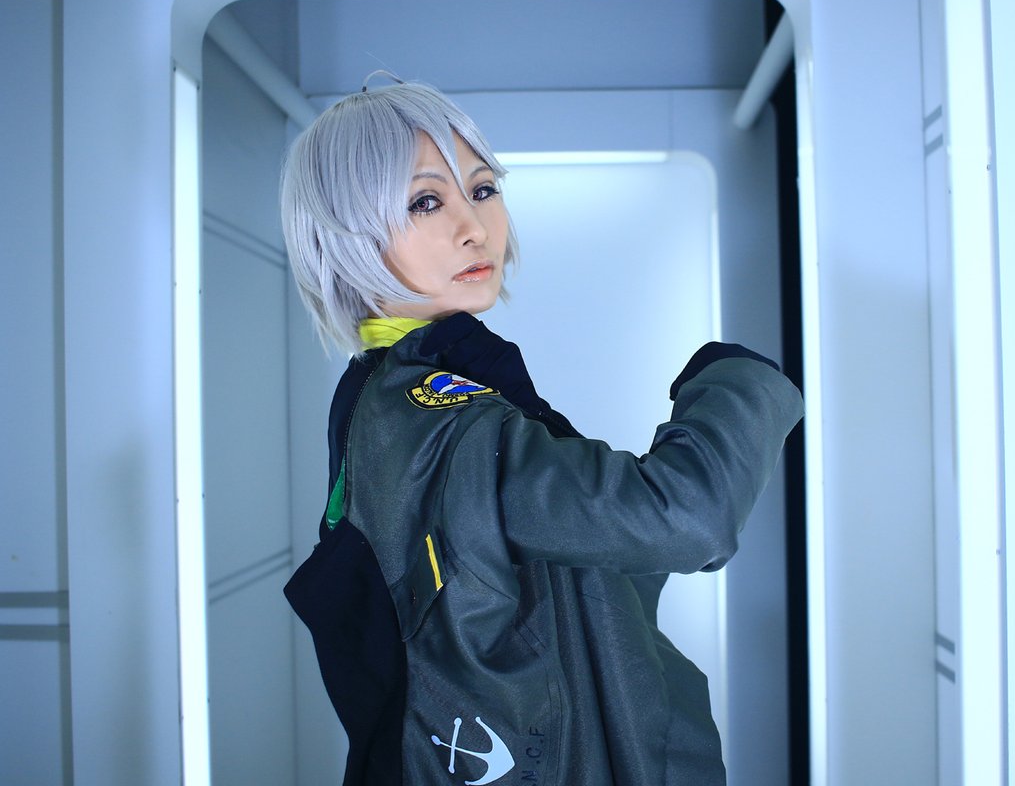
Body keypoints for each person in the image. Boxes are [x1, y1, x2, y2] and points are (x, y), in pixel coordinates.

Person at [281, 76, 804, 786]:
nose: (474, 226)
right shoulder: (438, 423)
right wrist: (734, 379)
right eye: (425, 201)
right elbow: (687, 516)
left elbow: (575, 566)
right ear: (344, 233)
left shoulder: (378, 400)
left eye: (482, 189)